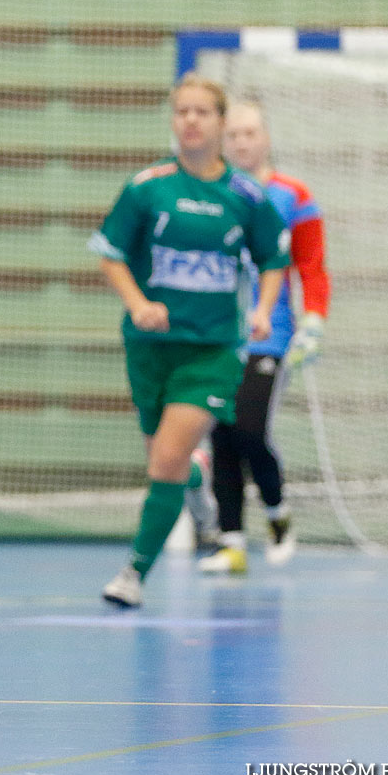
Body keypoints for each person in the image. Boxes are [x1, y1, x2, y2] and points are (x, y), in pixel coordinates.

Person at [88, 74, 290, 608]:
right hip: (151, 348)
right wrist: (138, 304)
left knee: (166, 460)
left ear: (221, 124)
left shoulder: (246, 196)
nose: (191, 121)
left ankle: (133, 573)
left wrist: (264, 311)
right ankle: (194, 478)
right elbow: (110, 253)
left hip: (213, 351)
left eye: (203, 112)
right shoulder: (147, 187)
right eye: (183, 112)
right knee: (166, 454)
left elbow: (274, 258)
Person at [198, 99, 330, 574]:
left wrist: (313, 320)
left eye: (250, 133)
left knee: (249, 428)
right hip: (216, 337)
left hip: (268, 337)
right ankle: (231, 541)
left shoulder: (293, 196)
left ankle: (277, 512)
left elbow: (312, 268)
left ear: (265, 137)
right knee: (221, 436)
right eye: (233, 134)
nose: (241, 142)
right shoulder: (209, 193)